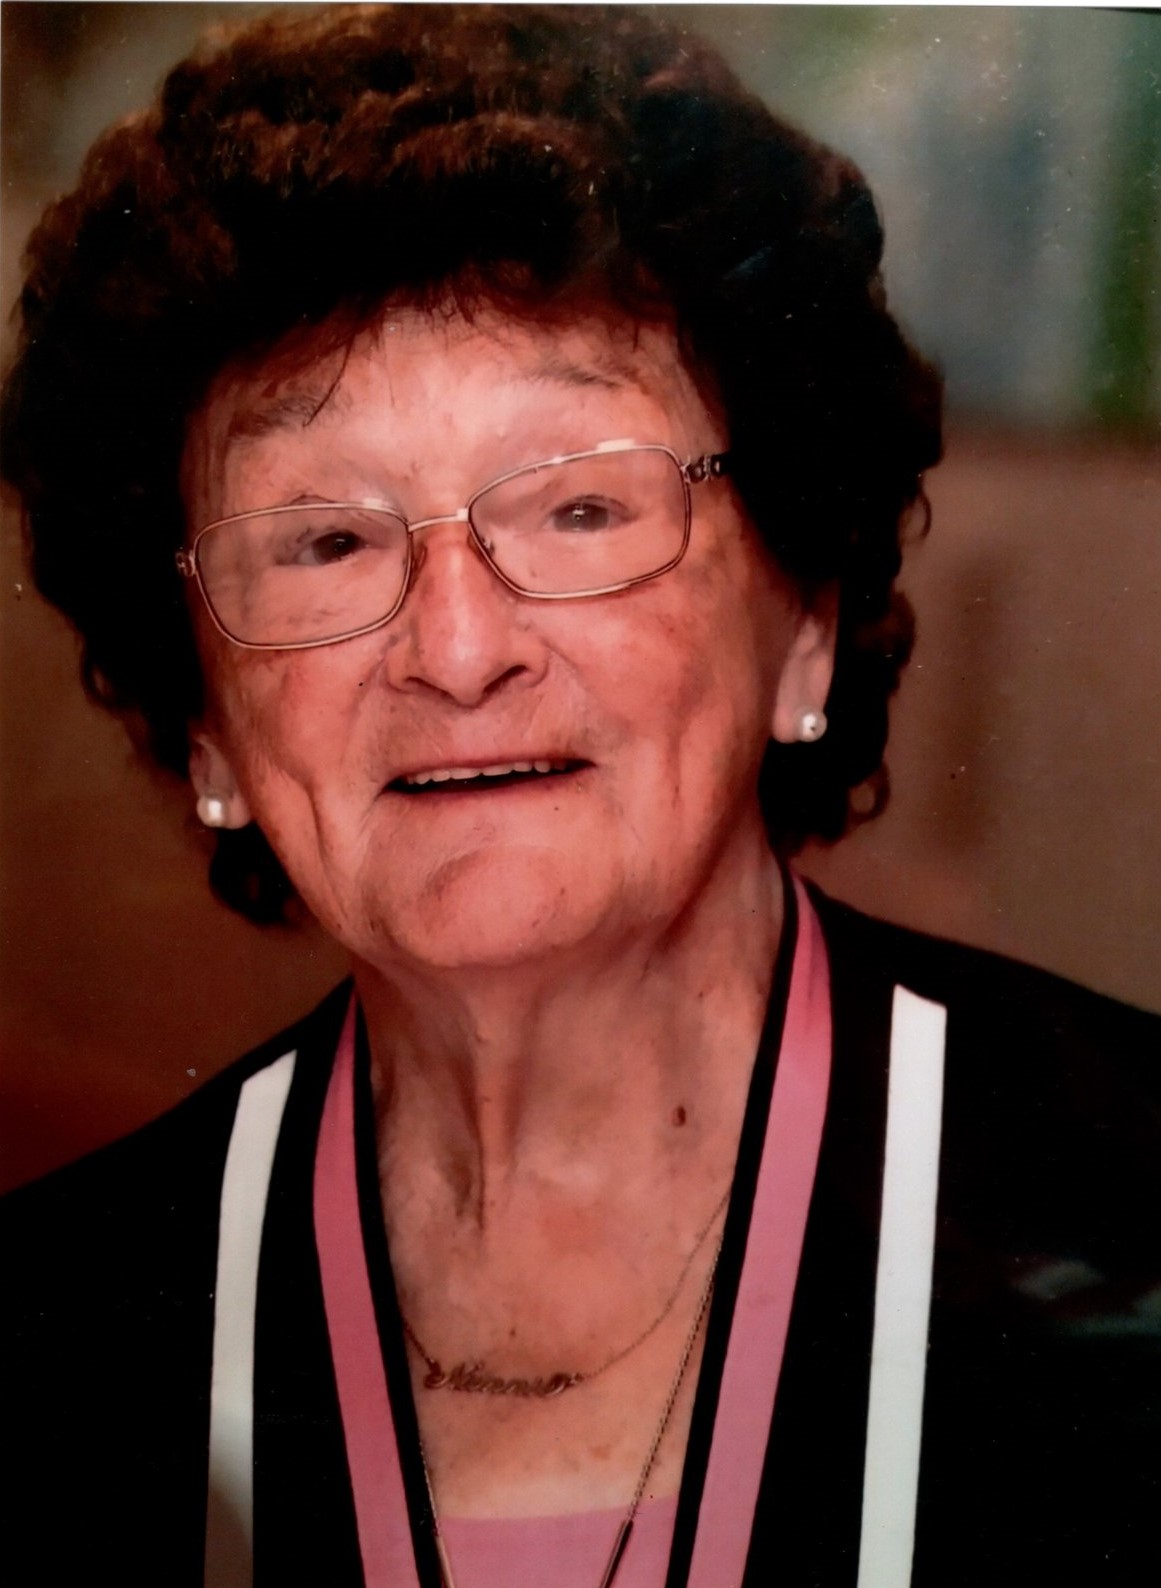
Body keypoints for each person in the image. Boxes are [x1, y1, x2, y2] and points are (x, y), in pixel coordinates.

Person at [2, 6, 1158, 1586]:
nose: (456, 649)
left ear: (802, 622)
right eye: (324, 541)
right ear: (205, 727)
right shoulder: (47, 1339)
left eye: (580, 509)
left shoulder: (1132, 1216)